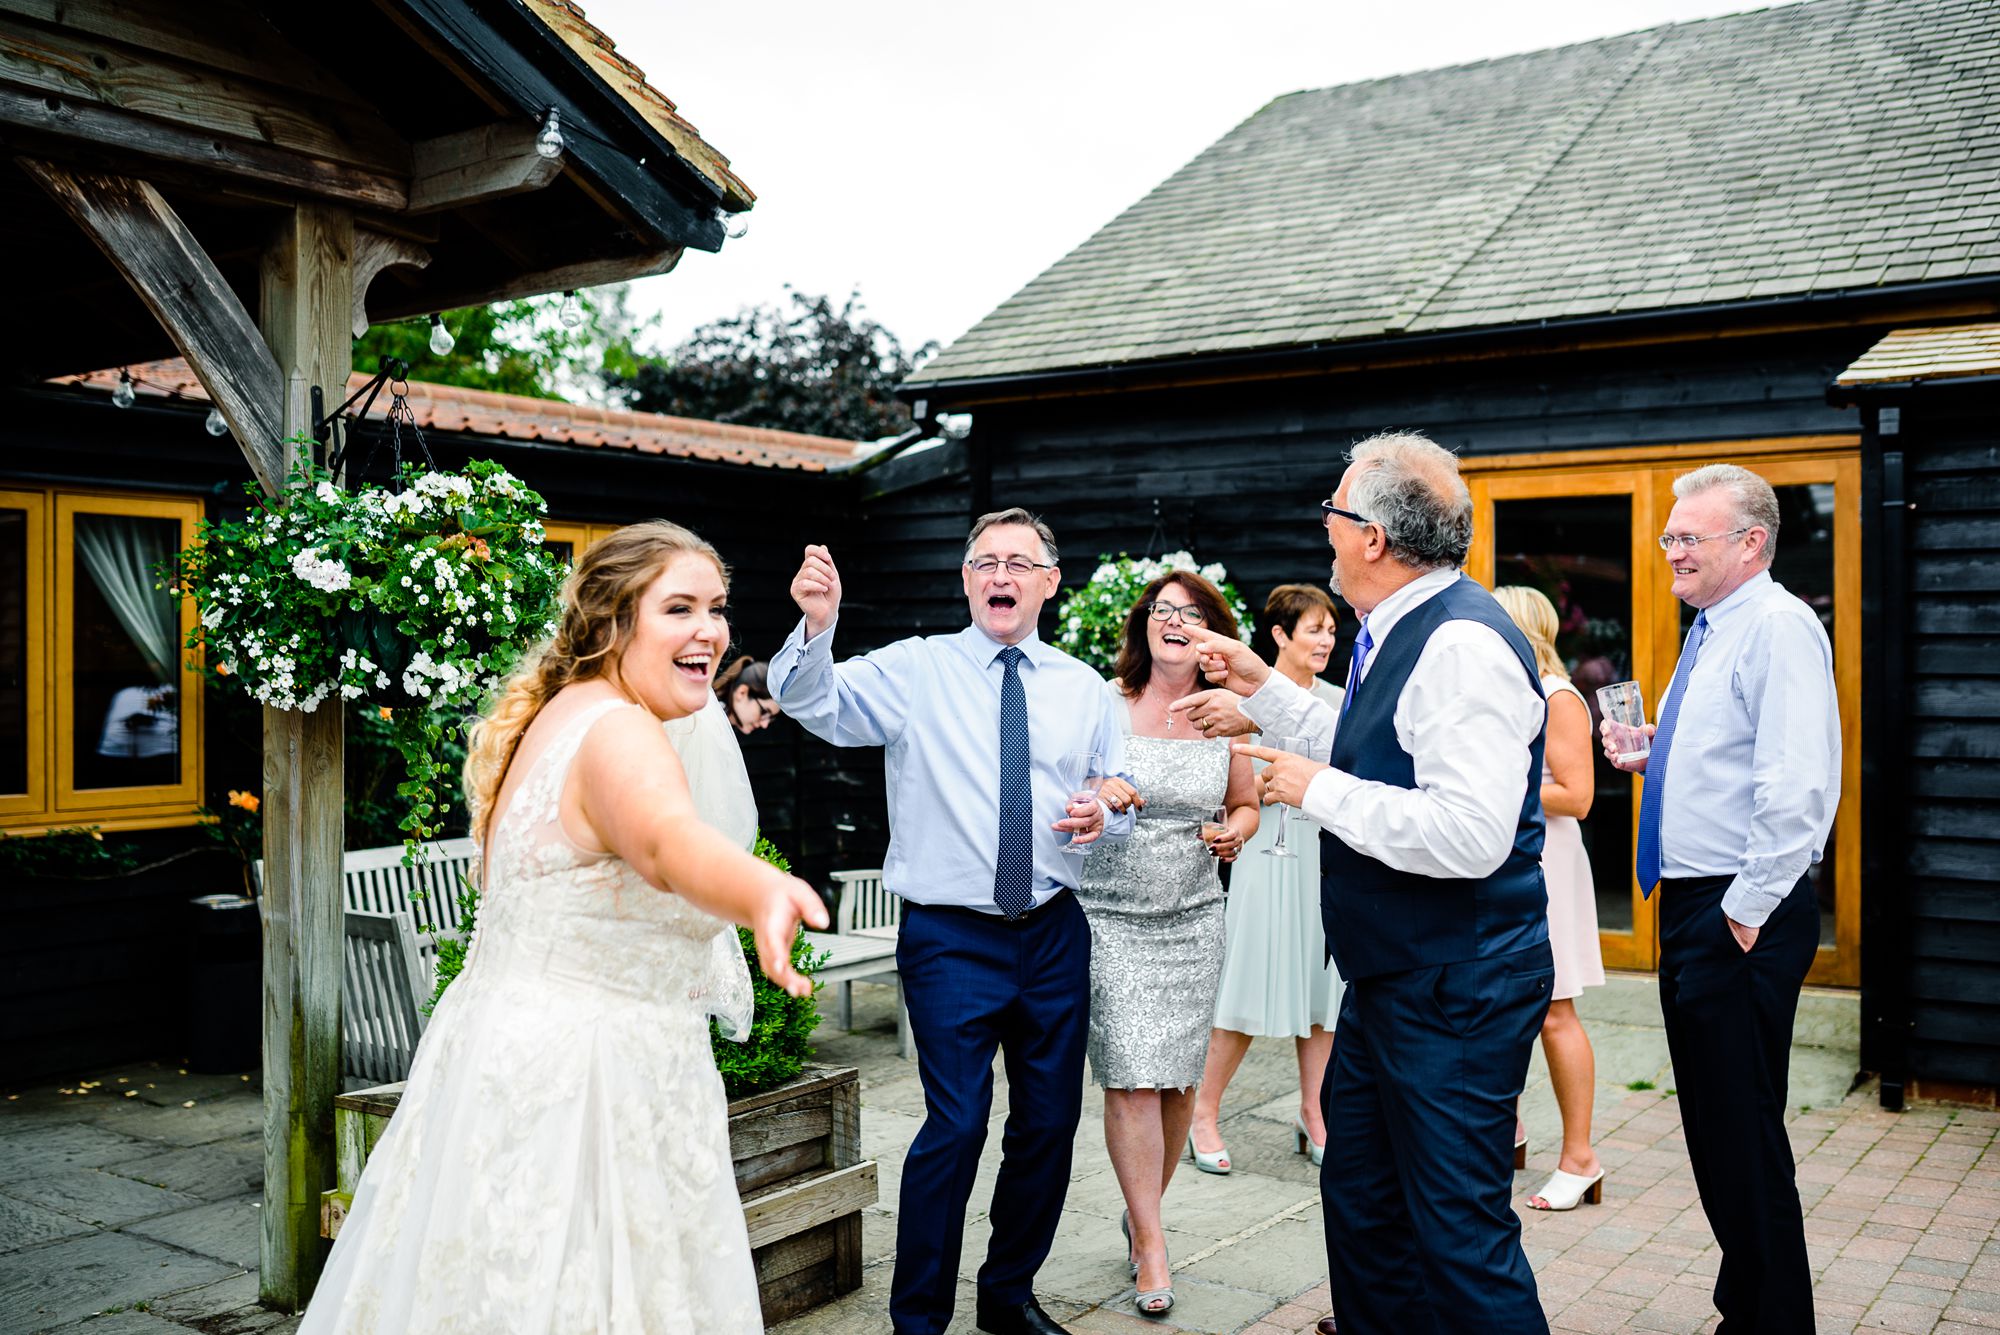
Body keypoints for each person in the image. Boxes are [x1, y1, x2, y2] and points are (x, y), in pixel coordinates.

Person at [301, 521, 827, 1335]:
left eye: (716, 607)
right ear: (614, 621)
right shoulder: (620, 732)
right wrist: (758, 885)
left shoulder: (560, 714)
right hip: (592, 1087)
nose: (710, 630)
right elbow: (664, 839)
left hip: (497, 1060)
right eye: (678, 607)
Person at [1191, 431, 1554, 1335]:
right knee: (1365, 1203)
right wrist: (1266, 688)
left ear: (1373, 538)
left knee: (1459, 1234)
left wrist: (1316, 789)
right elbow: (1374, 753)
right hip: (1394, 977)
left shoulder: (1461, 644)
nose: (1324, 527)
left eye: (1333, 510)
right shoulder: (1402, 629)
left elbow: (1470, 835)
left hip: (1455, 985)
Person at [771, 507, 1132, 1335]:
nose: (999, 575)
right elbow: (810, 700)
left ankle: (1007, 1297)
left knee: (1047, 1126)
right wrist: (815, 625)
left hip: (1052, 930)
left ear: (1049, 580)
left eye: (1018, 560)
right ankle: (920, 1318)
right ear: (966, 580)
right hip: (950, 936)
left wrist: (1104, 815)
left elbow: (1120, 795)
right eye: (984, 562)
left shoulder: (1084, 688)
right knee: (958, 1123)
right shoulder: (916, 669)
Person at [1601, 463, 1836, 1335]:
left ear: (1751, 542)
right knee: (1719, 1133)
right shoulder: (1715, 629)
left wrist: (1742, 913)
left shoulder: (1776, 625)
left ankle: (1773, 1323)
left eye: (1688, 537)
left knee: (1741, 1140)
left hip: (1737, 910)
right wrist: (1652, 754)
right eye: (1670, 536)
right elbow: (1734, 755)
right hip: (1703, 903)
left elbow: (1798, 786)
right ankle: (1750, 1309)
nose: (1671, 552)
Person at [1077, 569, 1258, 1318]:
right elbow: (1068, 790)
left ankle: (1141, 1208)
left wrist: (1233, 835)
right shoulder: (1104, 706)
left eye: (1190, 612)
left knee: (1180, 1078)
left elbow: (1247, 805)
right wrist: (1097, 794)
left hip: (1192, 915)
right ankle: (1152, 1243)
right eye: (1162, 609)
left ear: (1211, 630)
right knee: (1131, 1074)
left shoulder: (1229, 716)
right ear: (1143, 624)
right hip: (1109, 915)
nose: (1173, 621)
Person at [1178, 584, 1345, 1176]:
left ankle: (1314, 1112)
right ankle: (1202, 1113)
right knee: (1245, 986)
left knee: (1323, 994)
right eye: (1313, 630)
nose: (1326, 639)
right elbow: (1236, 778)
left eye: (1330, 629)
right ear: (1279, 636)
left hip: (1323, 852)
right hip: (1266, 850)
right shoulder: (1241, 698)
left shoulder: (1339, 700)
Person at [1493, 585, 1606, 1211]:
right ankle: (1506, 1133)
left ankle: (1581, 1157)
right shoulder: (1507, 693)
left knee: (1553, 1009)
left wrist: (1491, 790)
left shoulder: (1558, 696)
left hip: (1550, 863)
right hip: (1507, 859)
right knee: (1506, 1004)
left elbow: (1578, 797)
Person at [715, 655, 780, 734]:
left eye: (771, 718)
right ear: (742, 693)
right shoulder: (707, 719)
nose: (764, 725)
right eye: (764, 712)